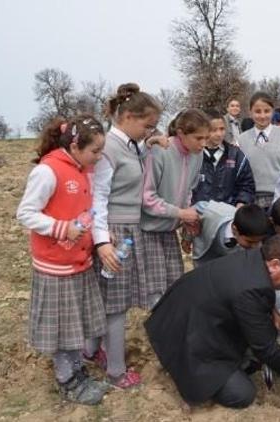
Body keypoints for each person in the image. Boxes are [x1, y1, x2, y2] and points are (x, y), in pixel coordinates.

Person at [145, 233, 280, 408]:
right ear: (275, 264)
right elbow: (265, 350)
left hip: (177, 317)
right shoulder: (252, 290)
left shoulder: (255, 259)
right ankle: (185, 370)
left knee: (261, 338)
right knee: (242, 393)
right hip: (186, 338)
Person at [16, 115, 110, 404]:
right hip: (56, 265)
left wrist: (101, 235)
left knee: (74, 324)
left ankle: (77, 371)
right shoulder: (48, 171)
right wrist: (62, 228)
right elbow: (26, 213)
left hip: (78, 262)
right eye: (94, 151)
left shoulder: (81, 170)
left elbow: (86, 211)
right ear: (74, 145)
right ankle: (66, 379)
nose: (99, 157)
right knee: (61, 328)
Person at [88, 83, 164, 389]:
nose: (149, 131)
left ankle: (91, 349)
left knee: (111, 297)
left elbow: (132, 163)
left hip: (129, 229)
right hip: (115, 232)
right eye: (147, 126)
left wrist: (151, 142)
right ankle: (116, 371)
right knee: (116, 303)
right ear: (129, 117)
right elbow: (97, 196)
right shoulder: (107, 149)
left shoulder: (129, 144)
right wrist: (103, 240)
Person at [141, 110, 209, 308]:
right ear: (181, 133)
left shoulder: (198, 156)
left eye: (206, 138)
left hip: (171, 231)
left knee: (176, 286)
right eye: (198, 138)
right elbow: (147, 197)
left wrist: (186, 217)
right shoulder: (160, 151)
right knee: (156, 293)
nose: (203, 143)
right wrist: (180, 213)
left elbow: (189, 189)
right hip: (150, 231)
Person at [237, 92, 280, 210]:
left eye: (267, 111)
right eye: (257, 111)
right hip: (250, 198)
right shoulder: (241, 139)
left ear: (273, 111)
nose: (262, 115)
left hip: (279, 197)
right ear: (250, 112)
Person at [192, 109, 255, 206]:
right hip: (196, 216)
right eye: (213, 130)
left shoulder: (236, 154)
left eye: (222, 129)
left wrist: (241, 203)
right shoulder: (193, 155)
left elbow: (246, 185)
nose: (219, 134)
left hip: (228, 215)